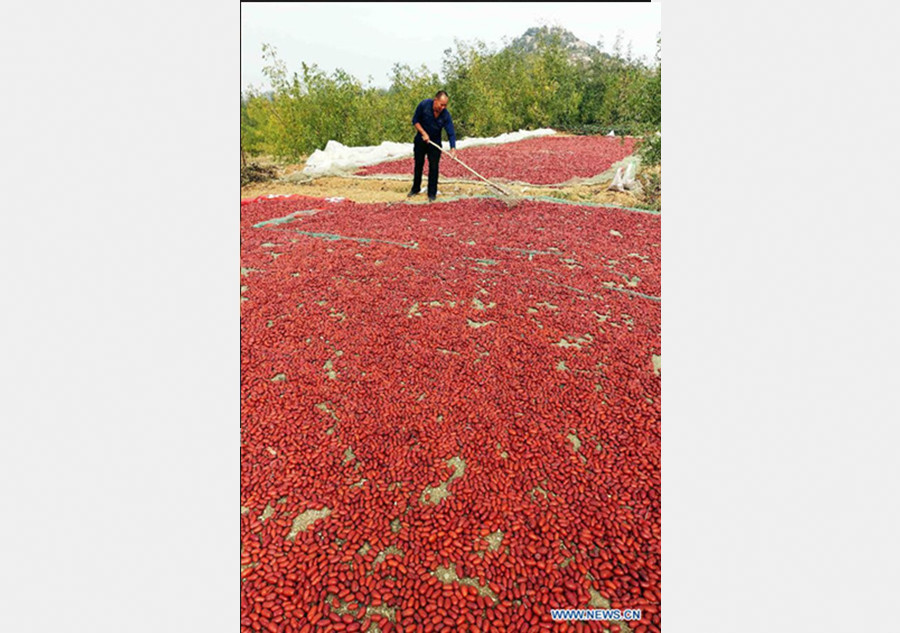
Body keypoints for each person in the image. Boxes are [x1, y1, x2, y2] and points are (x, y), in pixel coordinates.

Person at [408, 91, 457, 202]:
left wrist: (453, 148)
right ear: (435, 100)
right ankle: (415, 188)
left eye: (445, 105)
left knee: (434, 167)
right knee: (418, 165)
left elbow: (451, 132)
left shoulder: (445, 114)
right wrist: (423, 133)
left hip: (435, 143)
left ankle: (432, 193)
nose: (443, 107)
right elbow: (415, 121)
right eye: (441, 104)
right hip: (421, 140)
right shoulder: (424, 105)